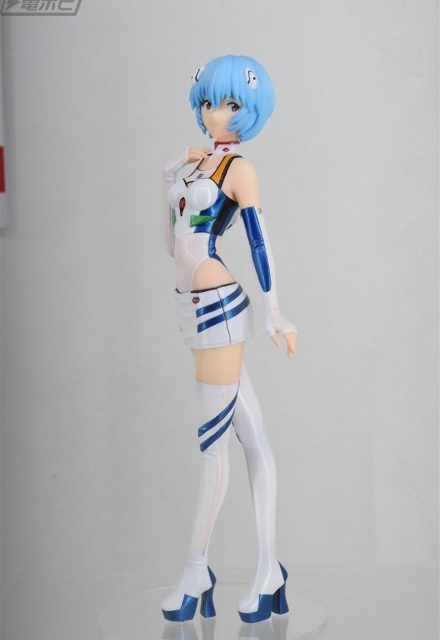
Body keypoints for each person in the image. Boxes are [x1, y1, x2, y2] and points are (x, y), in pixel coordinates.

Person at [161, 54, 297, 623]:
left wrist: (275, 311)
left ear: (249, 110)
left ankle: (195, 571)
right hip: (189, 307)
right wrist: (169, 176)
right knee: (252, 433)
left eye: (232, 103)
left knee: (212, 445)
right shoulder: (193, 167)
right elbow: (172, 245)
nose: (217, 112)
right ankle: (270, 570)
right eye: (210, 102)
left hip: (218, 307)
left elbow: (259, 241)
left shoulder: (239, 169)